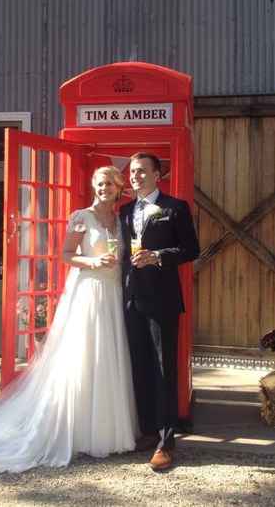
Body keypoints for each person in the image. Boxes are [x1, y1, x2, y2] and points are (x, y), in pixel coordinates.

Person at [0, 166, 137, 478]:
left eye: (110, 184)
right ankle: (76, 428)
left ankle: (103, 430)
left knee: (108, 358)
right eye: (100, 183)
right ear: (94, 186)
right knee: (86, 357)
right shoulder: (82, 216)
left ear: (119, 189)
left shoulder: (120, 219)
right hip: (90, 292)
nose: (104, 188)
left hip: (114, 292)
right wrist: (91, 260)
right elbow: (66, 254)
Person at [120, 152, 200, 472]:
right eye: (132, 172)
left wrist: (158, 256)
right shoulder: (125, 210)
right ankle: (149, 431)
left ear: (157, 175)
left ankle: (167, 440)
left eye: (141, 171)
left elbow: (191, 250)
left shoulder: (175, 208)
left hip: (163, 301)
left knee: (165, 370)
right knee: (139, 367)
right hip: (132, 300)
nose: (135, 177)